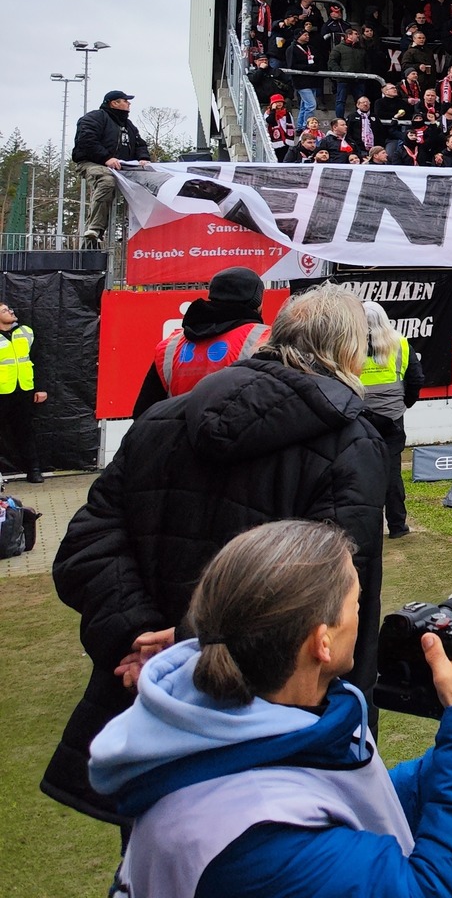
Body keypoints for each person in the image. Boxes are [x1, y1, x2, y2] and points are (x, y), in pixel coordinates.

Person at [44, 285, 387, 826]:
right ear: (350, 355)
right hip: (276, 724)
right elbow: (329, 594)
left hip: (156, 706)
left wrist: (156, 646)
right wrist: (160, 640)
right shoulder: (352, 443)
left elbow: (89, 542)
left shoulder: (160, 419)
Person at [87, 519, 452, 898]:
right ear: (321, 642)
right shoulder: (256, 840)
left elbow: (354, 810)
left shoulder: (222, 722)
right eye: (356, 601)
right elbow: (433, 889)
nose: (364, 613)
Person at [132, 268, 270, 418]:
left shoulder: (170, 347)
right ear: (258, 301)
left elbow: (144, 413)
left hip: (180, 437)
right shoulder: (265, 339)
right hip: (238, 436)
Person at [358, 301, 425, 540]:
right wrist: (403, 404)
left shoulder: (349, 345)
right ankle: (397, 526)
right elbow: (416, 380)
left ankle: (367, 529)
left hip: (359, 417)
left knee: (360, 473)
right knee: (392, 474)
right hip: (393, 417)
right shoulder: (402, 343)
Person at [71, 89, 151, 248]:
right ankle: (96, 228)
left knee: (150, 183)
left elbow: (140, 144)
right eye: (125, 100)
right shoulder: (94, 118)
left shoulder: (128, 125)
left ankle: (144, 232)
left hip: (121, 167)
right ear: (114, 103)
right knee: (107, 181)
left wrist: (143, 159)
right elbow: (87, 140)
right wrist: (106, 158)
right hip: (92, 163)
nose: (129, 103)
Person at [0, 301, 45, 482]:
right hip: (2, 392)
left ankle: (33, 470)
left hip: (24, 391)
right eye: (5, 310)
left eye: (9, 308)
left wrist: (41, 387)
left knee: (25, 431)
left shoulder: (26, 332)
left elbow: (39, 361)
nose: (10, 311)